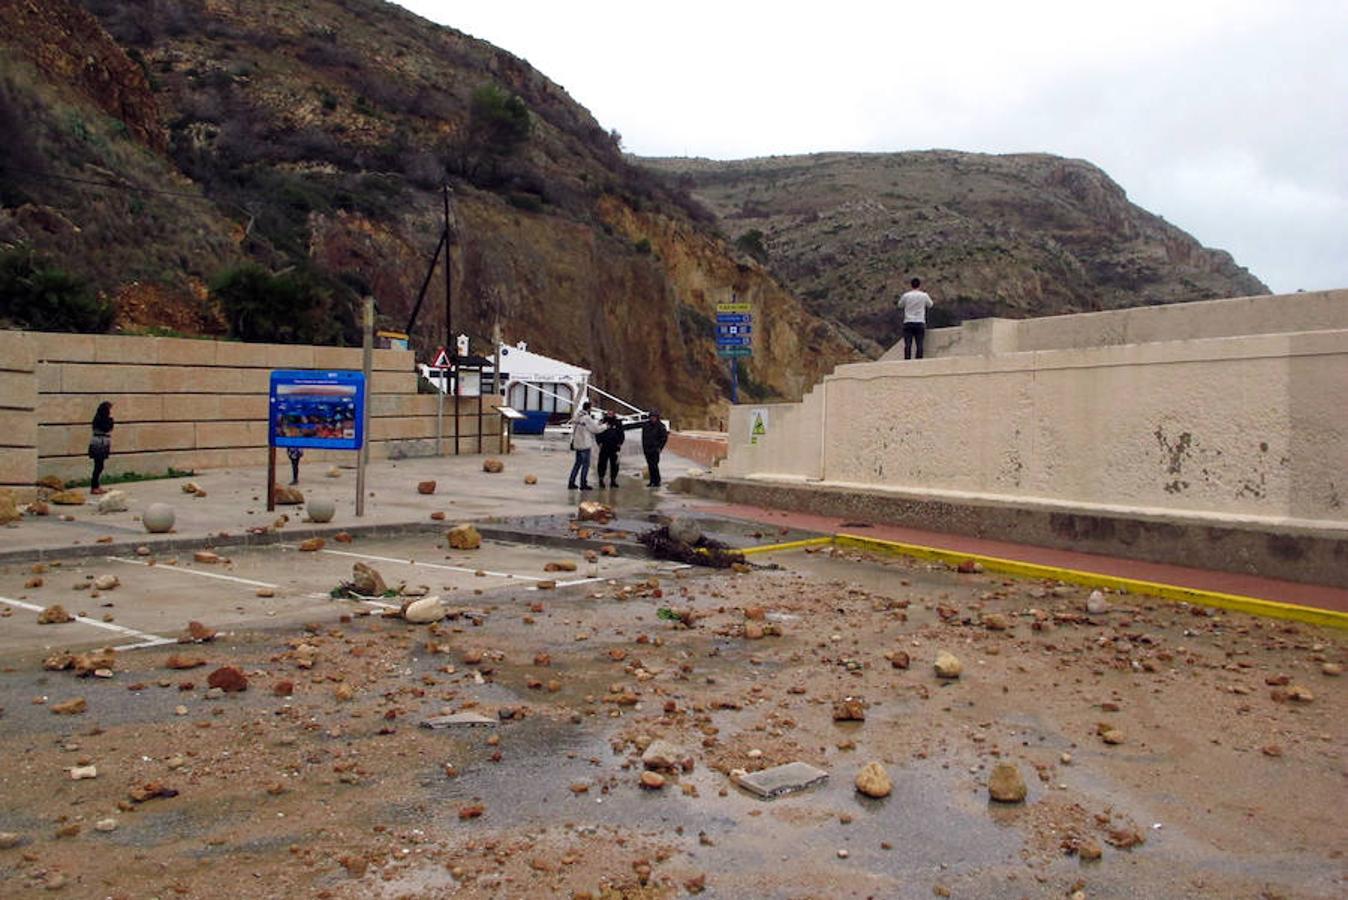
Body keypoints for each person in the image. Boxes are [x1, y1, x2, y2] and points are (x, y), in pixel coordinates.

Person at [567, 401, 605, 491]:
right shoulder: (587, 418)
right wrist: (605, 426)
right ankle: (583, 483)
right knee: (585, 465)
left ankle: (571, 482)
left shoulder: (577, 416)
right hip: (585, 444)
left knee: (577, 464)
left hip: (577, 444)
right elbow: (596, 430)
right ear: (589, 408)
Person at [898, 277, 934, 360]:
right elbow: (930, 305)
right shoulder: (924, 295)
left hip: (908, 322)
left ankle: (907, 361)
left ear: (911, 285)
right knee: (920, 344)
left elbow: (900, 305)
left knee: (908, 344)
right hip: (920, 322)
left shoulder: (906, 295)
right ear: (919, 285)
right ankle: (918, 362)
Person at [87, 401, 114, 494]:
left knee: (99, 465)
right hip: (100, 442)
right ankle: (94, 486)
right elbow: (107, 428)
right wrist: (111, 420)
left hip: (100, 441)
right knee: (98, 465)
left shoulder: (98, 418)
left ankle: (96, 486)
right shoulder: (101, 419)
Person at [595, 410, 625, 488]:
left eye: (611, 413)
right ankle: (601, 479)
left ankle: (613, 480)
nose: (610, 415)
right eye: (609, 413)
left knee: (615, 465)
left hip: (614, 447)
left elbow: (621, 434)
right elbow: (598, 433)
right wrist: (599, 443)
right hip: (604, 446)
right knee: (602, 464)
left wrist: (620, 443)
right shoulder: (602, 422)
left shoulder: (617, 423)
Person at [641, 410, 669, 488]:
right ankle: (652, 481)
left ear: (657, 418)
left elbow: (664, 438)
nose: (652, 419)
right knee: (650, 465)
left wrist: (660, 447)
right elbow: (643, 437)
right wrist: (644, 447)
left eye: (654, 417)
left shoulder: (661, 426)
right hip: (647, 448)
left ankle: (657, 481)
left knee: (654, 465)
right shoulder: (646, 425)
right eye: (651, 417)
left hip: (655, 449)